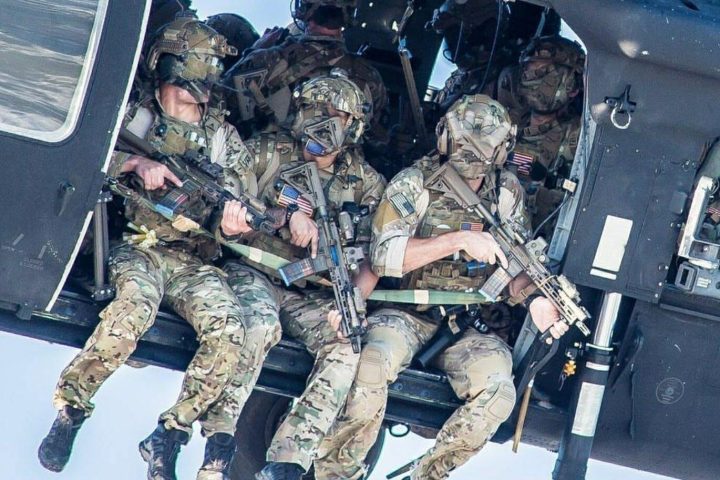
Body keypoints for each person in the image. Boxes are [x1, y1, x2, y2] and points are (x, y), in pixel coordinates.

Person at [37, 17, 268, 480]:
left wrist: (235, 221)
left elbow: (247, 199)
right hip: (138, 248)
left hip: (191, 260)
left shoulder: (222, 139)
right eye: (187, 81)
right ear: (165, 69)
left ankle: (171, 432)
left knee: (231, 333)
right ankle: (71, 408)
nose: (194, 96)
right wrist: (135, 163)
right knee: (131, 314)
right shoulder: (132, 116)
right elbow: (85, 153)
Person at [314, 95, 570, 480]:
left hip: (467, 326)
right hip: (406, 315)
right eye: (466, 141)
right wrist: (455, 241)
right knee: (370, 364)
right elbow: (383, 257)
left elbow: (514, 269)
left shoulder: (506, 194)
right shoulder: (415, 183)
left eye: (483, 144)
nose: (474, 153)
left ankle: (427, 475)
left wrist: (536, 299)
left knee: (499, 393)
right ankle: (334, 473)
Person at [217, 73, 385, 480]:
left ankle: (288, 460)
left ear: (354, 128)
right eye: (316, 112)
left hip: (314, 296)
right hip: (255, 272)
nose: (324, 124)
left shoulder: (365, 183)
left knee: (346, 348)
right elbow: (224, 196)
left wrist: (353, 301)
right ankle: (218, 437)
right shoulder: (265, 151)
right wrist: (283, 217)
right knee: (258, 327)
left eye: (337, 117)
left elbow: (377, 254)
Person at [224, 0, 387, 136]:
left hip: (269, 168)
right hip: (339, 172)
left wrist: (254, 50)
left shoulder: (266, 60)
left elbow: (221, 101)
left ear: (303, 9)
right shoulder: (371, 78)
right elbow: (375, 139)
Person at [503, 35, 585, 238]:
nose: (533, 80)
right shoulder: (502, 125)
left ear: (573, 88)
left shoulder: (581, 140)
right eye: (529, 71)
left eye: (545, 74)